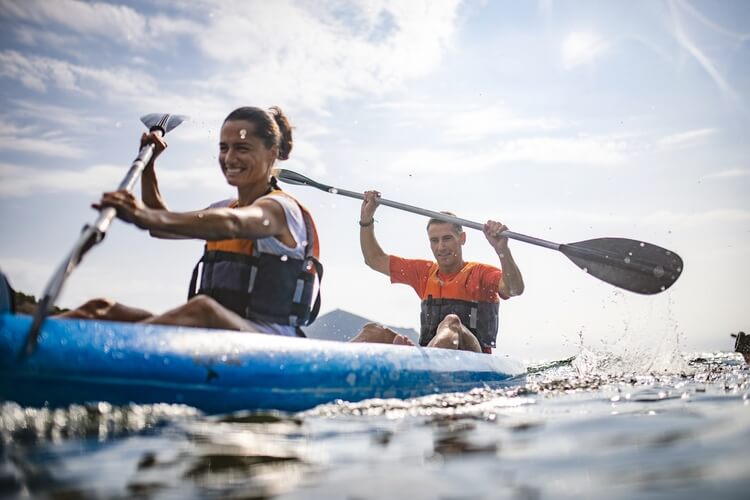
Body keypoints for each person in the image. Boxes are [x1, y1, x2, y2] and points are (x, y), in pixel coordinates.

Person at [61, 106, 322, 337]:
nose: (230, 158)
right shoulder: (223, 207)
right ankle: (28, 339)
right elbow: (160, 227)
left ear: (271, 153)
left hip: (270, 343)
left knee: (202, 310)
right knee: (102, 309)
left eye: (242, 148)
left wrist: (143, 214)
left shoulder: (280, 209)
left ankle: (108, 351)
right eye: (224, 147)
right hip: (218, 334)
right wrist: (149, 168)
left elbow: (232, 223)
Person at [351, 191, 523, 353]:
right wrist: (366, 219)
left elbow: (514, 289)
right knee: (372, 331)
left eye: (447, 238)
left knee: (451, 322)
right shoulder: (423, 273)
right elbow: (374, 259)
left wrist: (502, 249)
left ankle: (421, 359)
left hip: (474, 357)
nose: (441, 247)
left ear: (462, 239)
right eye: (434, 240)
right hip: (433, 353)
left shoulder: (481, 273)